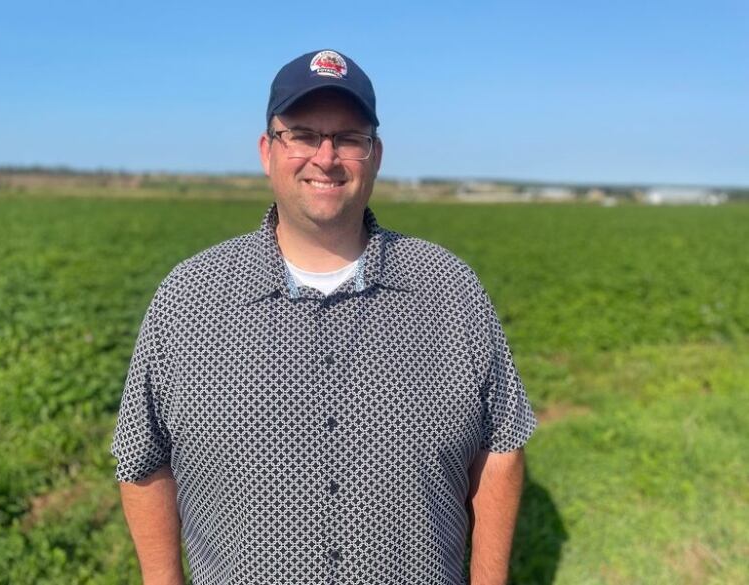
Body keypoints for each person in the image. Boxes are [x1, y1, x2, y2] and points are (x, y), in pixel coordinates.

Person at [112, 49, 536, 585]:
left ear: (375, 155)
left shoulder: (448, 288)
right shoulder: (190, 298)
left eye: (349, 138)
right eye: (303, 134)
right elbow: (143, 459)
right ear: (268, 150)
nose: (326, 157)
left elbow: (502, 445)